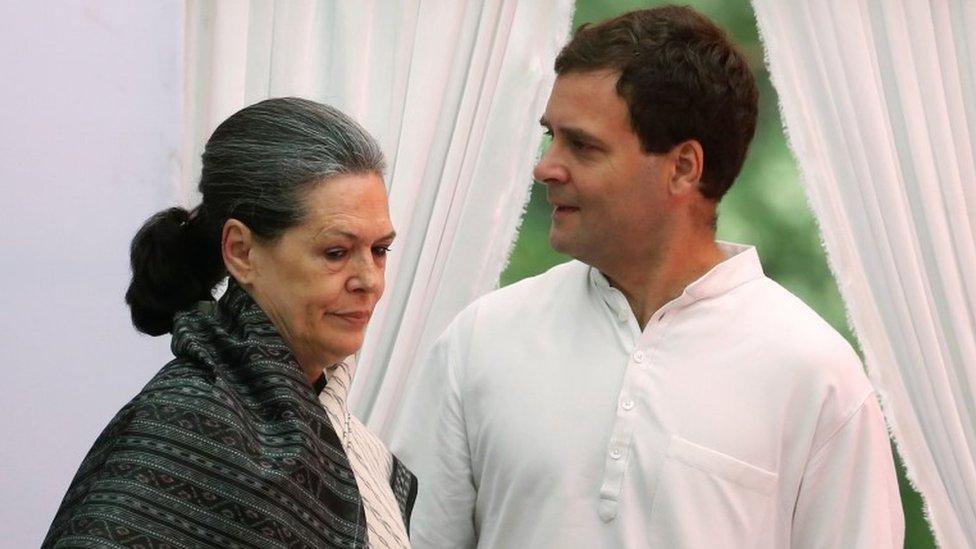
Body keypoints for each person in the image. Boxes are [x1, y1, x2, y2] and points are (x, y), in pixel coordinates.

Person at [393, 6, 903, 548]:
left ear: (683, 167)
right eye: (552, 138)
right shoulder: (479, 341)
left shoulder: (818, 376)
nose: (545, 166)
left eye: (582, 145)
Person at [44, 97, 416, 548]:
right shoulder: (186, 430)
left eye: (380, 250)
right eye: (336, 252)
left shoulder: (361, 453)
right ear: (241, 251)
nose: (370, 281)